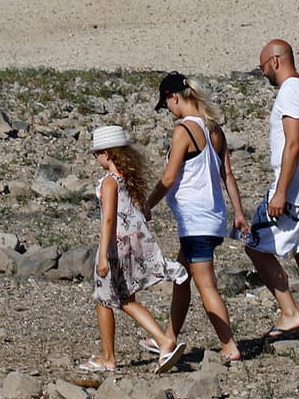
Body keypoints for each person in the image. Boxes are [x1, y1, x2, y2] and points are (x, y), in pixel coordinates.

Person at [143, 73, 247, 364]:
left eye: (166, 105)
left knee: (206, 286)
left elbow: (169, 177)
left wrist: (147, 205)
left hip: (195, 222)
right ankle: (168, 338)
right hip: (213, 218)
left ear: (174, 97)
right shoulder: (214, 130)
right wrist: (238, 213)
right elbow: (228, 175)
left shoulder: (183, 132)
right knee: (181, 276)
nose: (168, 111)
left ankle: (229, 345)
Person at [79, 125, 188, 374]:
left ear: (107, 154)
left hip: (115, 247)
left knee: (103, 299)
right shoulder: (129, 181)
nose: (96, 158)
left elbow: (108, 219)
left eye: (97, 153)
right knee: (126, 299)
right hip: (131, 246)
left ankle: (108, 357)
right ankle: (163, 340)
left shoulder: (109, 183)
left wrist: (104, 255)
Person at [244, 38, 299, 345]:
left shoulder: (291, 91)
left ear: (275, 61)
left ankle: (290, 313)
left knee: (254, 244)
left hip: (294, 189)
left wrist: (280, 192)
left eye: (263, 67)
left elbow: (294, 143)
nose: (264, 73)